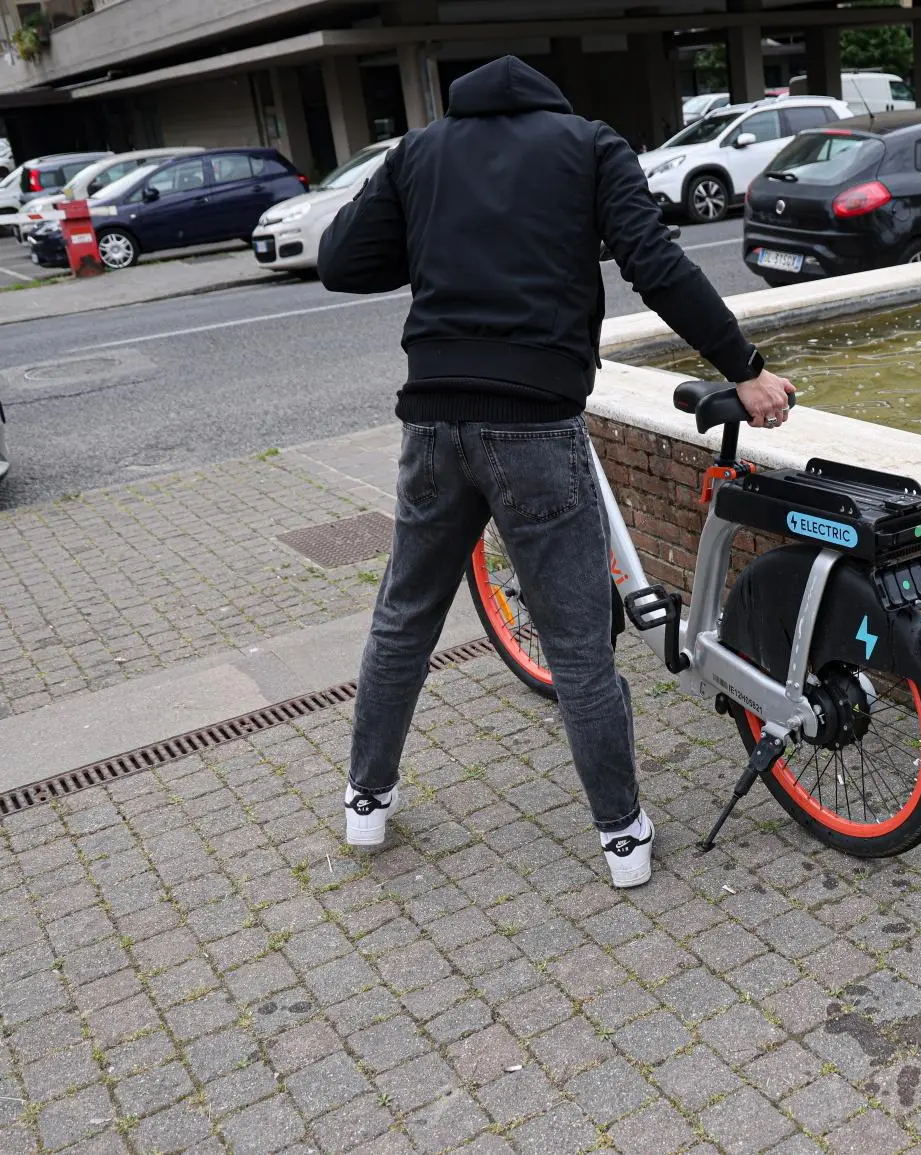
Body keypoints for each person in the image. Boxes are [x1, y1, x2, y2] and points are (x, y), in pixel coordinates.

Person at [318, 55, 793, 888]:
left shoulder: (419, 151)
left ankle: (365, 805)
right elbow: (654, 264)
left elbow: (342, 262)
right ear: (550, 96)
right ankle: (622, 839)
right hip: (534, 421)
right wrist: (742, 365)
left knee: (402, 618)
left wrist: (445, 239)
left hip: (431, 418)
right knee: (577, 643)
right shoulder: (589, 145)